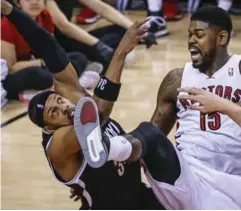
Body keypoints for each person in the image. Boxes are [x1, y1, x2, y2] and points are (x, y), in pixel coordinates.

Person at [0, 1, 163, 209]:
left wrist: (10, 11)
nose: (64, 108)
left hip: (140, 197)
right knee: (144, 132)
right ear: (49, 127)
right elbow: (99, 113)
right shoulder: (58, 145)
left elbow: (49, 48)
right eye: (54, 113)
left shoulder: (75, 103)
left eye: (59, 101)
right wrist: (120, 52)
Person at [74, 6, 241, 210]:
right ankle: (104, 147)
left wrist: (222, 105)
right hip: (184, 178)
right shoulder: (176, 80)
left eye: (199, 34)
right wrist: (94, 177)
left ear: (221, 38)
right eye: (189, 35)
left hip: (229, 188)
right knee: (150, 135)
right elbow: (147, 141)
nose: (191, 41)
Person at [1, 0, 87, 100]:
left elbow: (52, 51)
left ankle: (56, 86)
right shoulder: (5, 25)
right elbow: (11, 68)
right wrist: (41, 62)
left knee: (78, 58)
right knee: (37, 74)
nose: (34, 2)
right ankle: (68, 83)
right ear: (18, 3)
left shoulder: (45, 16)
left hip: (42, 66)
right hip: (16, 75)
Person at [50, 0, 157, 71]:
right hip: (56, 45)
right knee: (81, 56)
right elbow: (63, 26)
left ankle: (97, 61)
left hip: (71, 40)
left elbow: (102, 8)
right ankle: (90, 63)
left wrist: (138, 30)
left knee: (122, 31)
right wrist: (98, 45)